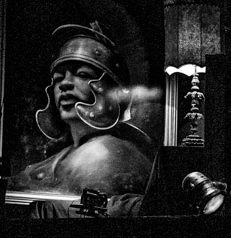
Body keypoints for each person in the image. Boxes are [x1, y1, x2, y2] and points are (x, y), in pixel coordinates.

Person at [9, 21, 152, 218]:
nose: (65, 84)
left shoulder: (107, 152)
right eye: (59, 78)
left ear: (110, 89)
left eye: (82, 74)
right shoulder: (59, 156)